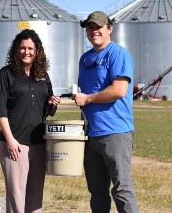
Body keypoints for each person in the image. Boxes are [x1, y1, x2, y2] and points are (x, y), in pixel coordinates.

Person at [72, 11, 139, 213]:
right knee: (97, 191)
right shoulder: (85, 58)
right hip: (90, 135)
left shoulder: (118, 54)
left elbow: (119, 90)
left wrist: (88, 98)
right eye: (90, 27)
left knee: (121, 188)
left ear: (110, 29)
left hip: (115, 132)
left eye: (99, 27)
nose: (94, 31)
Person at [0, 29, 60, 213]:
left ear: (37, 50)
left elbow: (46, 110)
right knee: (16, 199)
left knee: (35, 199)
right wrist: (10, 140)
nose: (26, 52)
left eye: (30, 48)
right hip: (15, 145)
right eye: (22, 48)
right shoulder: (6, 74)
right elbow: (0, 111)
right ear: (16, 50)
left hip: (39, 144)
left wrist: (52, 104)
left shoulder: (42, 75)